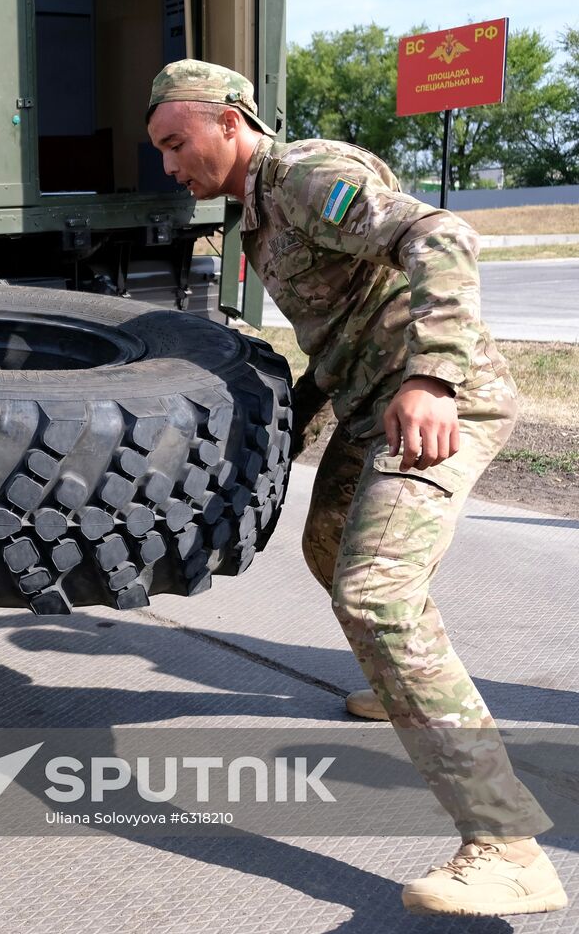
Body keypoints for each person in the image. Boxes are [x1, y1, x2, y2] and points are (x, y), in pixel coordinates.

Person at [145, 60, 567, 918]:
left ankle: (506, 845)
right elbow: (343, 321)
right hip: (372, 402)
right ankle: (403, 678)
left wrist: (436, 379)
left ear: (231, 122)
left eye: (175, 142)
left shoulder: (305, 178)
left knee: (376, 595)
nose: (169, 165)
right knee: (330, 547)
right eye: (159, 150)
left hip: (435, 403)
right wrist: (291, 419)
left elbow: (440, 234)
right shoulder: (257, 215)